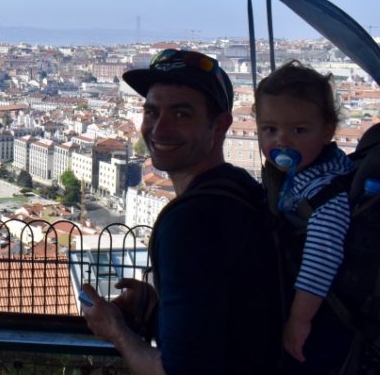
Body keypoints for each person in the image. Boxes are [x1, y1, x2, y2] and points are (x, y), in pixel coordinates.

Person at [81, 49, 281, 375]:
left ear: (220, 126)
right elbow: (237, 316)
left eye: (181, 114)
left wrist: (114, 329)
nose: (159, 130)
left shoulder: (190, 223)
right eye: (152, 112)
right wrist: (160, 308)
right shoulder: (239, 187)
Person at [255, 60, 354, 373]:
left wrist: (299, 322)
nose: (282, 141)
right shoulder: (303, 175)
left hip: (320, 324)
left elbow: (321, 260)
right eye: (270, 129)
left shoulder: (325, 192)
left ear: (327, 131)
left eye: (298, 130)